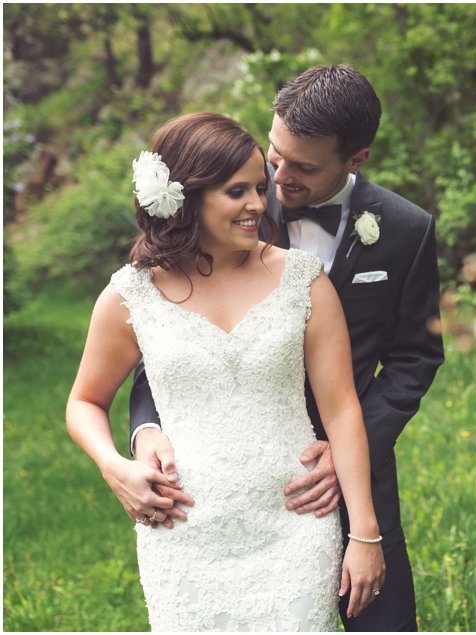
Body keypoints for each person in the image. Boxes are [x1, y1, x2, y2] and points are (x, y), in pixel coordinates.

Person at [129, 65, 445, 631]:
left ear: (357, 158)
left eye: (302, 166)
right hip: (223, 482)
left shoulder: (406, 229)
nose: (277, 177)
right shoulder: (226, 204)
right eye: (276, 154)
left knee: (382, 619)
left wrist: (348, 446)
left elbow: (414, 357)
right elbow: (169, 335)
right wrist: (146, 428)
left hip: (346, 464)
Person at [65, 112, 385, 631]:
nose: (259, 204)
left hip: (295, 526)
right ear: (188, 196)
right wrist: (113, 465)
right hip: (184, 531)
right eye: (236, 192)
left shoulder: (304, 282)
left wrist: (364, 534)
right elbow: (84, 402)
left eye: (260, 187)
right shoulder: (131, 294)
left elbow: (343, 408)